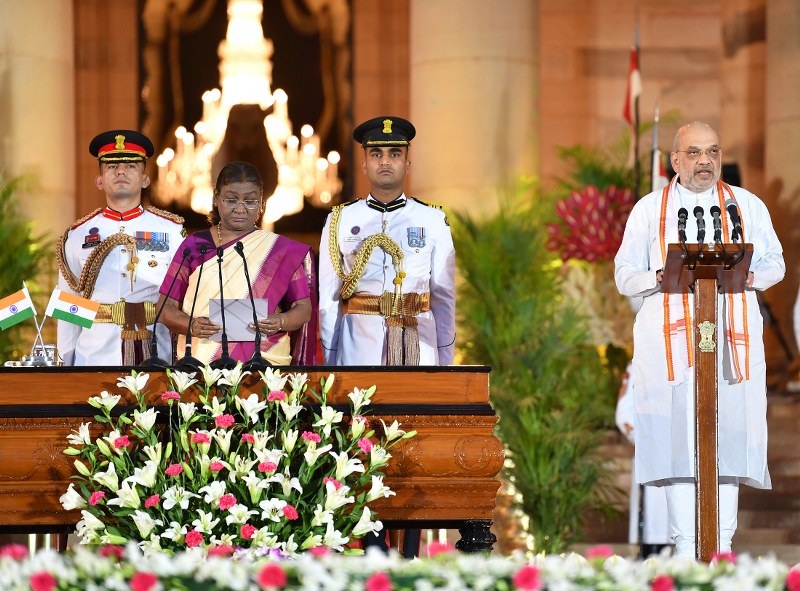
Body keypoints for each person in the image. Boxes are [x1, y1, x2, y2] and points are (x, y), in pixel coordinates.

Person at [614, 121, 785, 558]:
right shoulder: (649, 210)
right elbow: (623, 275)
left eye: (712, 151)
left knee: (726, 438)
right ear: (675, 160)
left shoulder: (746, 205)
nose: (705, 161)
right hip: (668, 348)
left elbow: (776, 263)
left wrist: (746, 277)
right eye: (693, 152)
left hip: (731, 343)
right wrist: (659, 276)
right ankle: (684, 546)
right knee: (677, 441)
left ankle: (722, 547)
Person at [319, 116, 456, 366]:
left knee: (415, 404)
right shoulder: (340, 219)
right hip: (358, 346)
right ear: (364, 165)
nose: (384, 161)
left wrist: (444, 363)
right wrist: (331, 359)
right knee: (361, 406)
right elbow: (329, 299)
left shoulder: (433, 219)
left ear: (407, 164)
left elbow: (444, 298)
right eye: (376, 154)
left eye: (394, 154)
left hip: (419, 341)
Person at [156, 161, 316, 366]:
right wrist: (192, 325)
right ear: (216, 198)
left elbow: (303, 308)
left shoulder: (280, 250)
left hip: (264, 360)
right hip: (202, 361)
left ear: (261, 203)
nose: (240, 209)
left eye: (250, 201)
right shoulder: (195, 246)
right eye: (231, 200)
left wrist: (280, 321)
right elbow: (165, 307)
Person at [56, 130, 185, 366]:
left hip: (155, 351)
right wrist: (66, 362)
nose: (120, 171)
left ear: (146, 179)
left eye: (131, 166)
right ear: (99, 180)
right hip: (93, 356)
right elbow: (68, 303)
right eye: (111, 167)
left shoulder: (173, 232)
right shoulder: (77, 235)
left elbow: (185, 299)